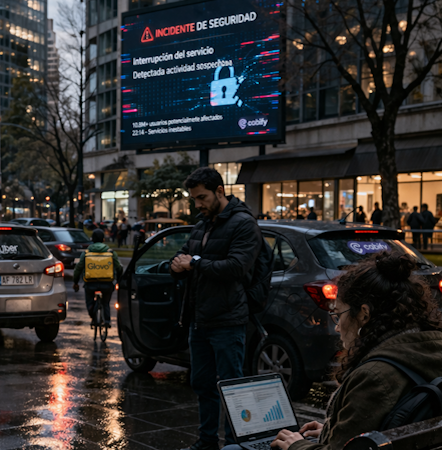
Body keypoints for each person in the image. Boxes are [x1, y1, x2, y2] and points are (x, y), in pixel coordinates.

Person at [230, 252, 442, 450]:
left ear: (364, 315)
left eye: (338, 315)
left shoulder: (373, 377)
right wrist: (332, 430)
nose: (338, 326)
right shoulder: (430, 349)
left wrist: (297, 446)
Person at [170, 167, 262, 450]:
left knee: (233, 387)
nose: (197, 204)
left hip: (228, 320)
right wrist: (177, 265)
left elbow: (236, 267)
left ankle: (236, 445)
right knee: (203, 384)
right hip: (199, 320)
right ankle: (207, 442)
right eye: (194, 199)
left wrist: (194, 263)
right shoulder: (202, 223)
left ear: (219, 191)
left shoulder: (244, 223)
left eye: (202, 197)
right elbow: (184, 254)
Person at [72, 229, 122, 327]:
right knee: (106, 302)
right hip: (107, 284)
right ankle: (107, 321)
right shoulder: (111, 253)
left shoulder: (86, 254)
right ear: (103, 240)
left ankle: (93, 314)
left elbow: (78, 269)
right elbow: (119, 268)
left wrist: (76, 282)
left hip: (90, 284)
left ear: (92, 240)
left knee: (89, 300)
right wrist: (118, 280)